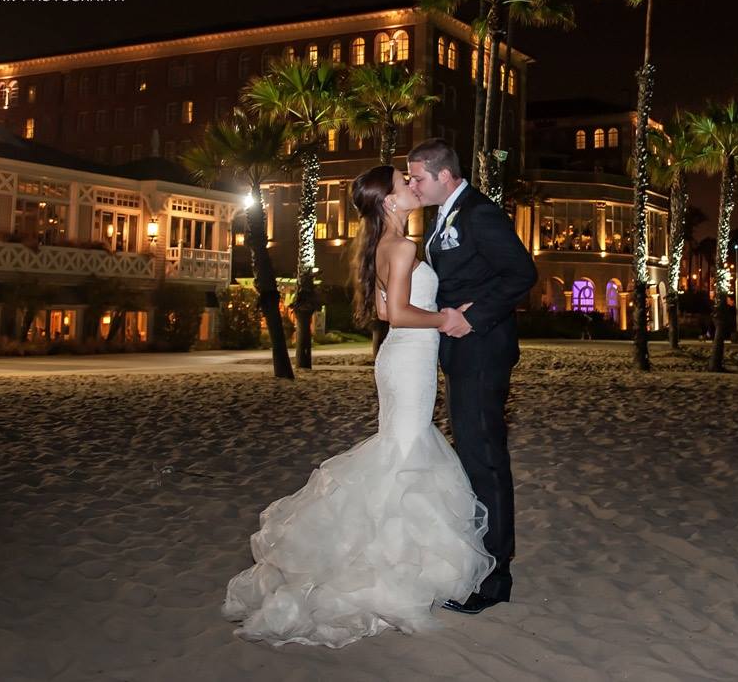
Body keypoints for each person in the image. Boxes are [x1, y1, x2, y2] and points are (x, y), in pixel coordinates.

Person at [221, 164, 493, 648]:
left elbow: (387, 311)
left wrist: (432, 315)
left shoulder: (383, 245)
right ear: (389, 202)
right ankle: (390, 573)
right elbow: (404, 313)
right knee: (406, 456)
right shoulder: (404, 246)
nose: (412, 187)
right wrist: (446, 317)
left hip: (399, 357)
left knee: (401, 450)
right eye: (403, 186)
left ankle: (393, 561)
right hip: (409, 359)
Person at [407, 139, 538, 615]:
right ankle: (478, 561)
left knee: (485, 459)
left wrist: (475, 316)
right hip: (461, 353)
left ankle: (496, 577)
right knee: (472, 458)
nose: (413, 185)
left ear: (445, 175)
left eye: (418, 177)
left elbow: (522, 273)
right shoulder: (446, 214)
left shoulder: (479, 213)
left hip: (483, 350)